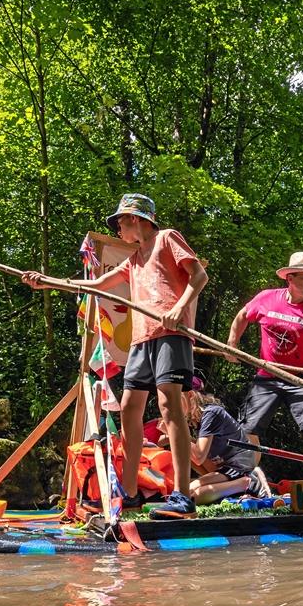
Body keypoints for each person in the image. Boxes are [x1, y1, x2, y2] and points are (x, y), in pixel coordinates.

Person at [22, 193, 207, 520]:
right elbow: (99, 284)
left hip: (171, 334)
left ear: (135, 218)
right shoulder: (134, 260)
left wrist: (178, 309)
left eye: (120, 221)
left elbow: (198, 276)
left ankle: (182, 496)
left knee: (168, 405)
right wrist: (47, 282)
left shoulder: (167, 238)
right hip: (141, 338)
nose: (118, 227)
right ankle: (131, 492)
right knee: (129, 407)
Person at [224, 251, 303, 470]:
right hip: (267, 376)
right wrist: (232, 344)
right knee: (248, 427)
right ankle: (246, 478)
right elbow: (242, 316)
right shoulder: (266, 298)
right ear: (290, 278)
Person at [182, 385, 272, 505]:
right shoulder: (199, 419)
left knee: (189, 494)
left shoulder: (211, 413)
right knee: (187, 493)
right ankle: (233, 488)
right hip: (224, 468)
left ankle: (248, 482)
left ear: (191, 396)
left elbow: (198, 456)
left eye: (177, 399)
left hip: (238, 467)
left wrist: (174, 433)